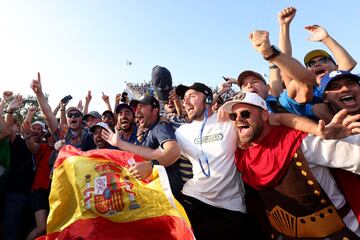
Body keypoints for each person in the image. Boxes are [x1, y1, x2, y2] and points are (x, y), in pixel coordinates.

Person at [220, 91, 360, 239]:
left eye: (246, 114)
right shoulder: (241, 156)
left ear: (265, 115)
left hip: (337, 233)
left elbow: (355, 156)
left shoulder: (300, 141)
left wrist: (350, 136)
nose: (238, 120)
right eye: (233, 116)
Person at [174, 82, 257, 240]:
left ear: (207, 100)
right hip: (194, 198)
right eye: (184, 98)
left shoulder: (229, 121)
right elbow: (163, 153)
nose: (185, 102)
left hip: (230, 206)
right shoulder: (181, 132)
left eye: (192, 96)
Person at [101, 94, 184, 200]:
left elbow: (174, 151)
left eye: (141, 106)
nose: (137, 111)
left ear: (154, 110)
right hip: (157, 197)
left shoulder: (160, 127)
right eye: (136, 108)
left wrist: (151, 166)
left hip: (170, 197)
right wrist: (119, 143)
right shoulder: (148, 131)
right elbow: (153, 153)